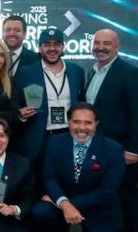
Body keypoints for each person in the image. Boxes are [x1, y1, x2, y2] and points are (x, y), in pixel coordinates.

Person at [32, 103, 125, 232]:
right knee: (41, 211)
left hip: (98, 207)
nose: (81, 128)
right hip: (63, 202)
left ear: (96, 124)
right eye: (76, 122)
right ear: (68, 122)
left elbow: (106, 192)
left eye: (88, 123)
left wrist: (69, 204)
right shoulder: (55, 143)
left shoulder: (113, 150)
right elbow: (49, 178)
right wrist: (64, 203)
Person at [85, 29, 138, 232]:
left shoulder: (131, 74)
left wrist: (132, 149)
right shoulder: (91, 72)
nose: (100, 47)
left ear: (118, 46)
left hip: (123, 151)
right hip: (97, 149)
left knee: (126, 197)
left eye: (107, 44)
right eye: (97, 43)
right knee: (106, 197)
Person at [14, 28, 85, 183]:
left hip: (68, 136)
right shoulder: (26, 72)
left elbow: (82, 103)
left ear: (63, 47)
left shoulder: (76, 71)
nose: (52, 48)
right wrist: (20, 113)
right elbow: (14, 102)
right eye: (47, 44)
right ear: (40, 48)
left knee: (66, 180)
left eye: (57, 44)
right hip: (38, 138)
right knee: (36, 182)